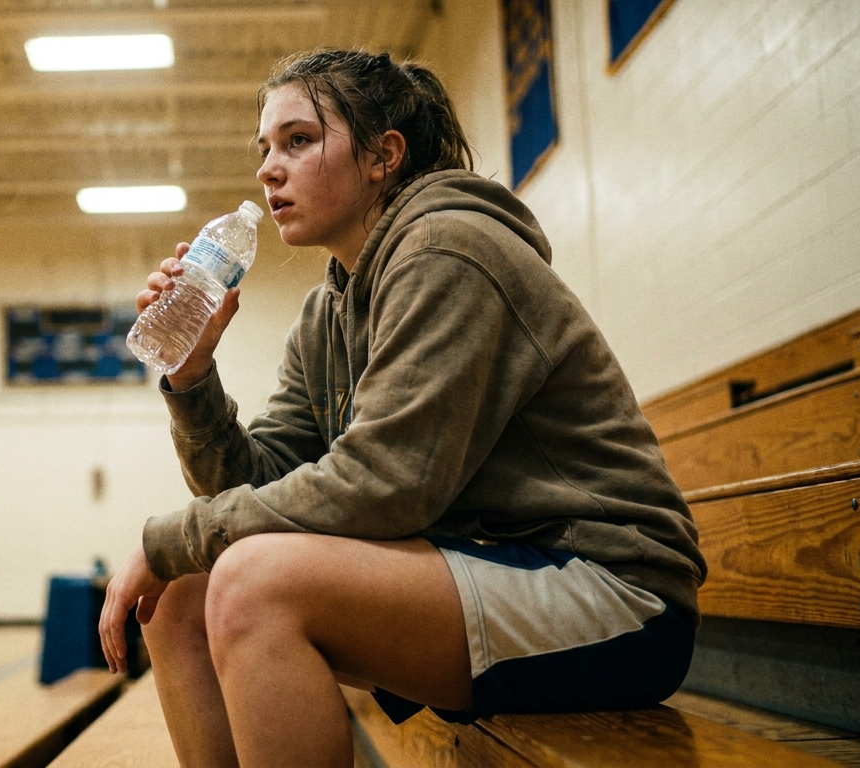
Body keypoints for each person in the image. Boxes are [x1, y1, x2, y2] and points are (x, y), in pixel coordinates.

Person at [98, 49, 706, 767]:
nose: (267, 169)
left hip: (613, 594)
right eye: (264, 148)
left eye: (298, 140)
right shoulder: (327, 311)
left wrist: (166, 537)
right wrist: (192, 375)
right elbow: (250, 489)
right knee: (183, 594)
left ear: (384, 156)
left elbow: (387, 484)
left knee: (250, 583)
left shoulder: (452, 249)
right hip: (486, 569)